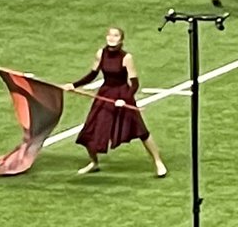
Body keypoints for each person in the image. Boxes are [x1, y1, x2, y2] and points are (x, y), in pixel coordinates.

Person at [70, 26, 167, 178]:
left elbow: (134, 83)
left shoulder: (126, 57)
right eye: (109, 35)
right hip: (106, 93)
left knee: (141, 131)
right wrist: (74, 85)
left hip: (122, 94)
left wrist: (125, 99)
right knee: (90, 129)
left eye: (115, 35)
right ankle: (93, 162)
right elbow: (92, 75)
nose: (112, 38)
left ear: (121, 39)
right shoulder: (100, 54)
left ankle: (158, 162)